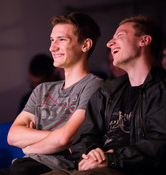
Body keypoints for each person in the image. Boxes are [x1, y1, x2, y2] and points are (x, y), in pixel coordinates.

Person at [44, 14, 166, 175]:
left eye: (120, 36)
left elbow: (160, 144)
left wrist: (111, 159)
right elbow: (84, 137)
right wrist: (88, 155)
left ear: (144, 41)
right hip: (96, 166)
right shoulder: (108, 91)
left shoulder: (161, 88)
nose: (109, 43)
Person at [0, 12, 103, 175]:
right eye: (52, 40)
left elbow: (65, 138)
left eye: (62, 40)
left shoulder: (94, 85)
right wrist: (56, 137)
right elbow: (13, 136)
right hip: (23, 164)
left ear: (85, 45)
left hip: (53, 168)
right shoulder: (42, 89)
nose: (52, 47)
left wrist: (29, 145)